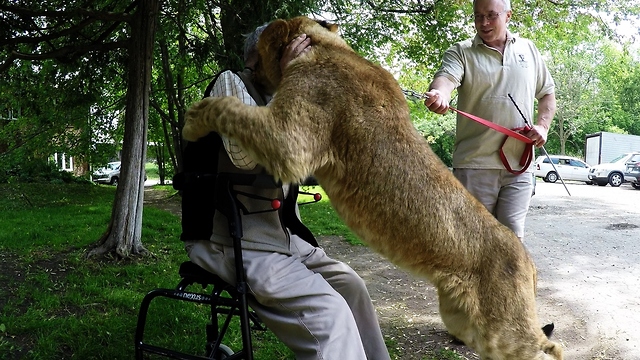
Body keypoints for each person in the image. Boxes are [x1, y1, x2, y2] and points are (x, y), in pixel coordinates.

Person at [183, 24, 391, 360]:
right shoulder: (230, 85)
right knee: (331, 316)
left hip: (282, 241)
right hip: (231, 241)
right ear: (262, 54)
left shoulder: (276, 97)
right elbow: (253, 154)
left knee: (352, 288)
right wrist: (291, 85)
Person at [424, 0, 556, 240]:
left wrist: (543, 126)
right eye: (478, 16)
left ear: (508, 16)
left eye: (491, 15)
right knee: (472, 241)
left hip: (519, 166)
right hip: (474, 165)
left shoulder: (529, 50)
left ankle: (516, 280)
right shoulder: (461, 51)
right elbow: (446, 79)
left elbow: (547, 93)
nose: (483, 23)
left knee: (511, 242)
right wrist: (440, 94)